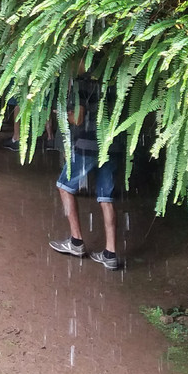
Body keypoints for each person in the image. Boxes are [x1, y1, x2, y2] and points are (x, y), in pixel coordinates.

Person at [49, 59, 120, 269]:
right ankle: (110, 253)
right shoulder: (113, 80)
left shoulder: (82, 83)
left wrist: (63, 116)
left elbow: (79, 119)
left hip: (88, 144)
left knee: (64, 186)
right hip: (112, 143)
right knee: (105, 197)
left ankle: (76, 241)